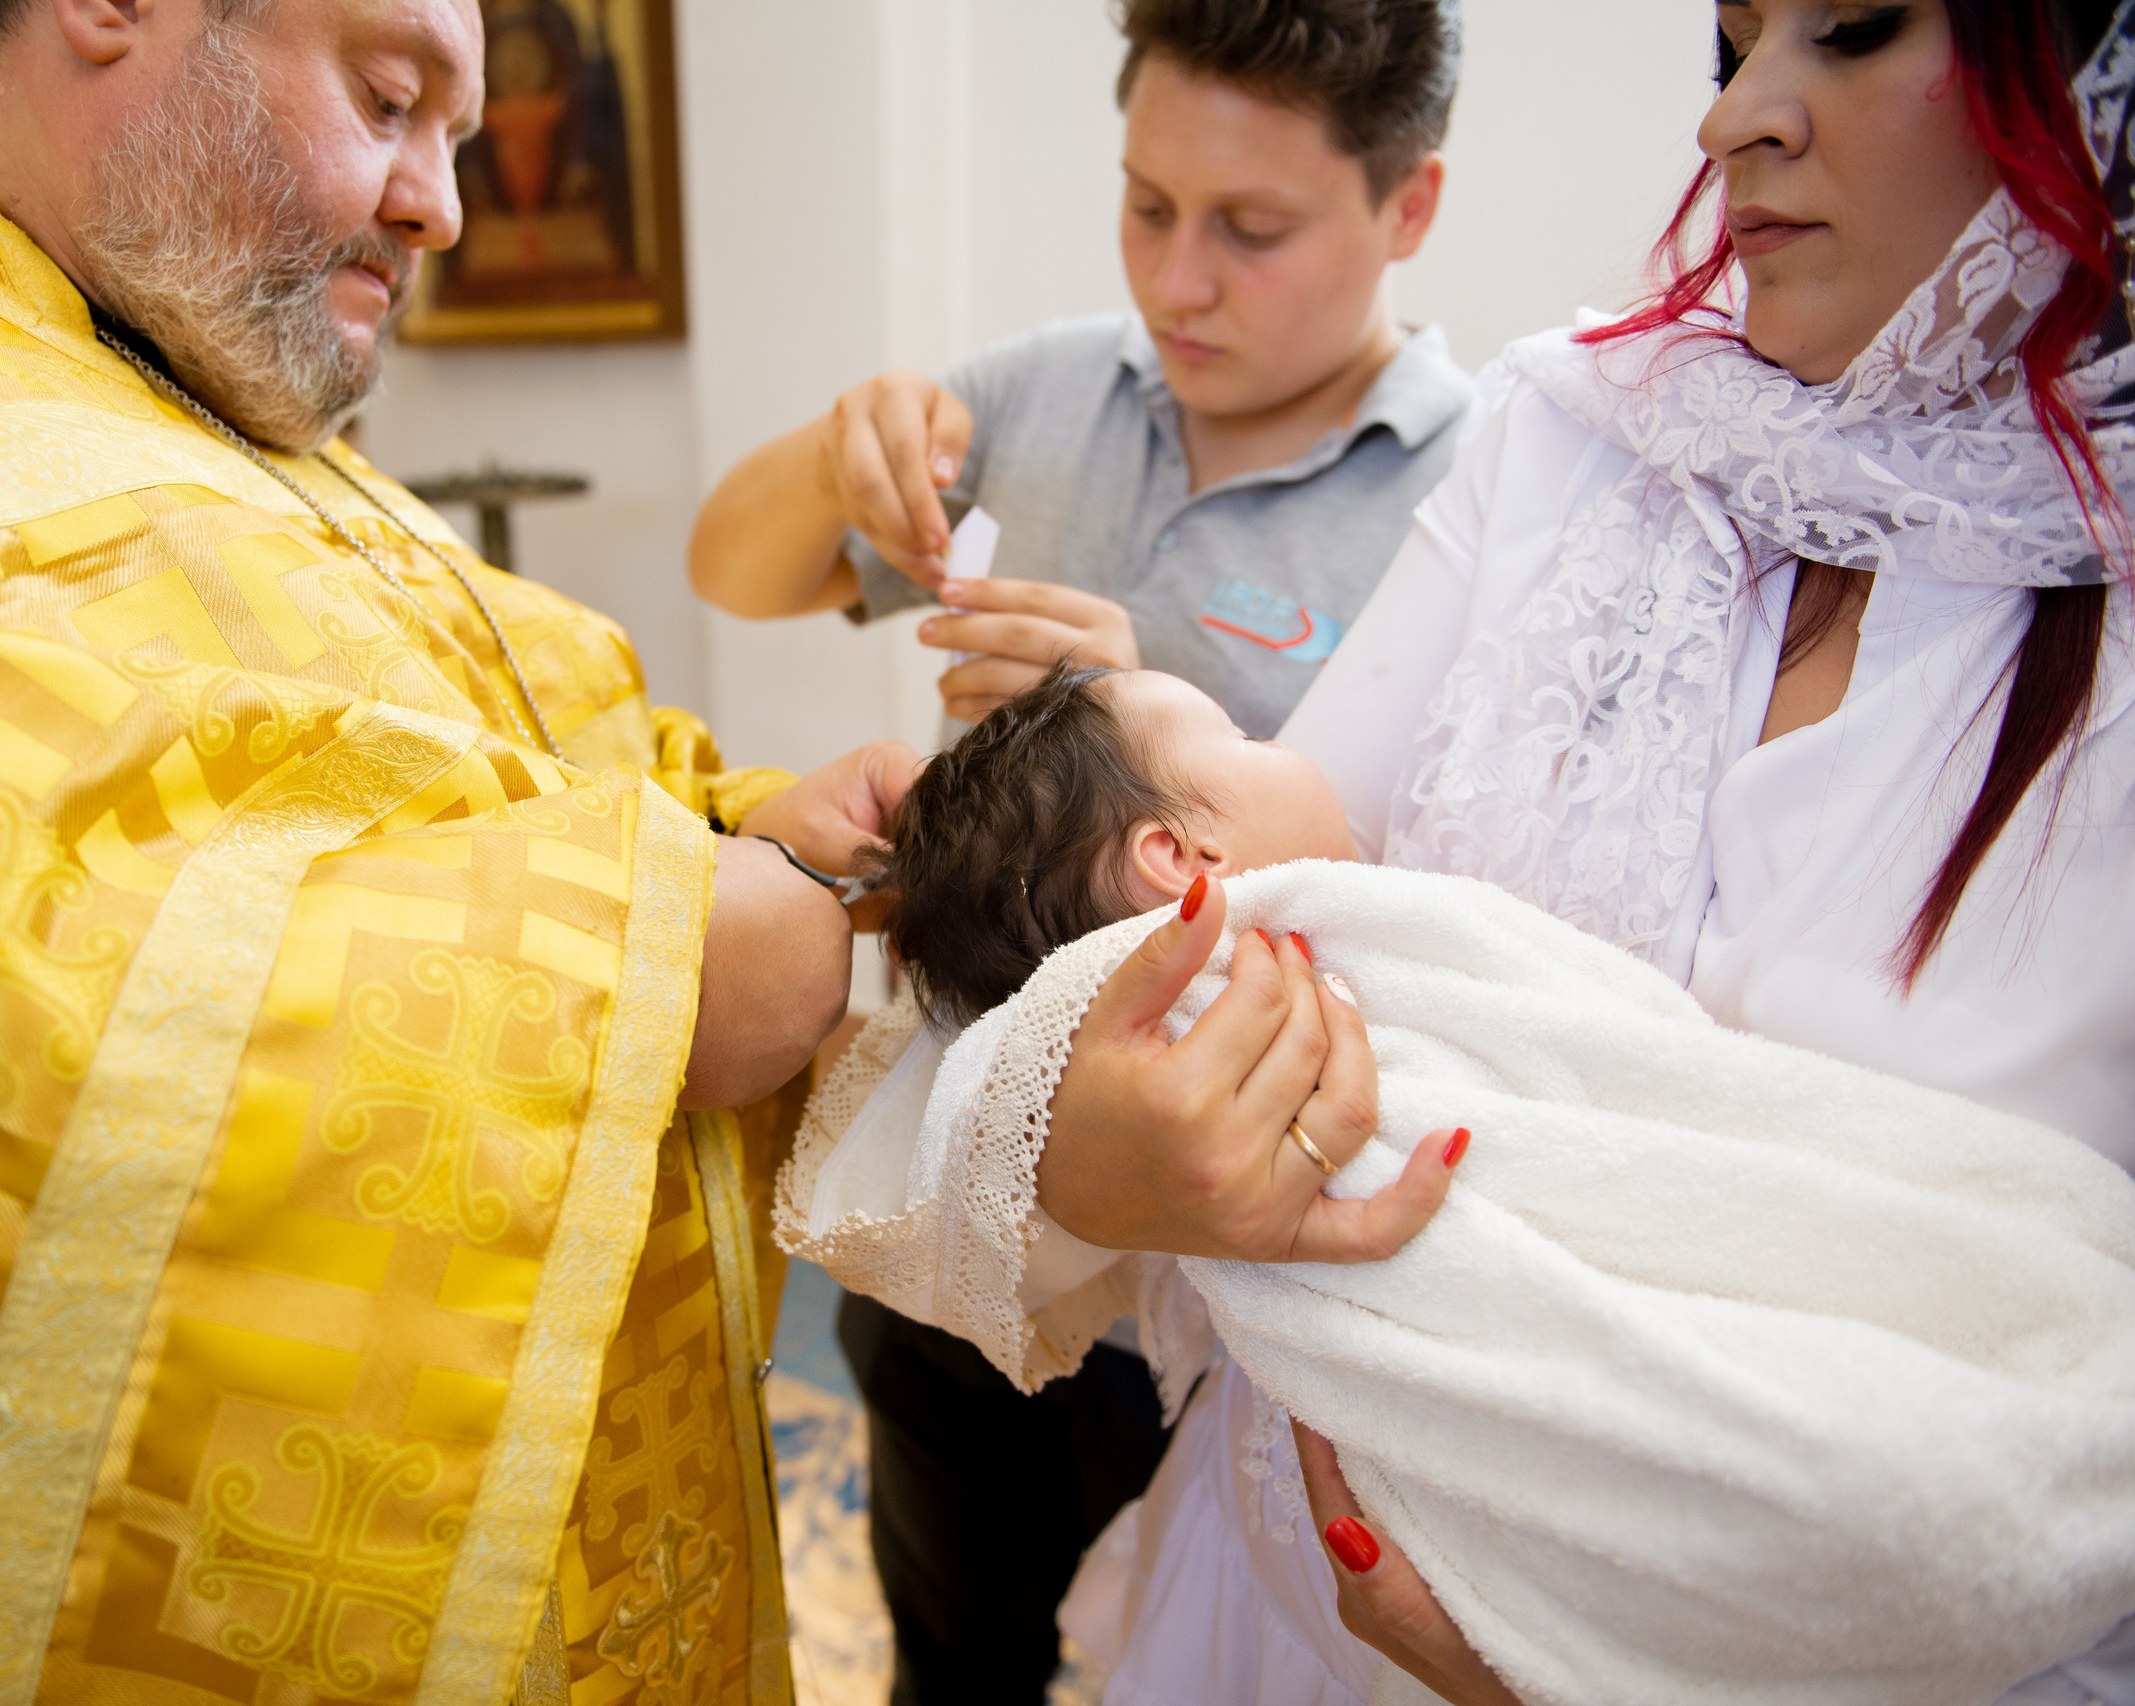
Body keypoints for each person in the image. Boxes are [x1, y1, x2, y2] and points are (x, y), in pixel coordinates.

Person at [0, 1, 927, 1699]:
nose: (440, 201)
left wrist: (729, 826)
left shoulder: (153, 346)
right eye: (387, 97)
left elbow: (501, 704)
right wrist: (643, 957)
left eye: (457, 127)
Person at [797, 0, 2135, 1700]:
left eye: (1855, 29)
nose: (1739, 125)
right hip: (1282, 1604)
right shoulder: (1579, 442)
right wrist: (1088, 1143)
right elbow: (1163, 930)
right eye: (1729, 49)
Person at [786, 656, 2135, 1702]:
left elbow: (1609, 1072)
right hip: (1379, 1482)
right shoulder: (1247, 1014)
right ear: (1177, 863)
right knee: (1833, 1462)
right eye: (1247, 741)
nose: (1291, 746)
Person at [691, 0, 1468, 1692]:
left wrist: (1164, 714)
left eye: (1250, 231)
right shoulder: (1047, 398)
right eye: (1147, 205)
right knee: (950, 1648)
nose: (1178, 283)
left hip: (1233, 1273)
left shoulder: (1472, 497)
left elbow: (1463, 888)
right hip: (973, 1201)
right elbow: (729, 568)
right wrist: (836, 451)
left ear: (1408, 208)